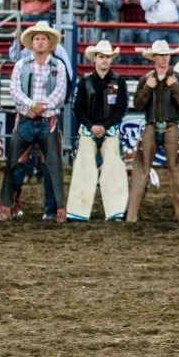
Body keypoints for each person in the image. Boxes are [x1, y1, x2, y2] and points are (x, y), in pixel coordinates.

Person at [0, 21, 68, 222]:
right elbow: (14, 89)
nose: (39, 42)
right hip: (28, 119)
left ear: (49, 43)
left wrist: (38, 107)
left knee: (51, 166)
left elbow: (60, 92)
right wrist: (32, 105)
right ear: (32, 42)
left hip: (46, 120)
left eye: (43, 39)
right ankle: (9, 206)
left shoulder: (58, 66)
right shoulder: (21, 64)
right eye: (37, 39)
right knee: (15, 164)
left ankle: (52, 210)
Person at [64, 40, 130, 221]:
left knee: (114, 166)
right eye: (101, 57)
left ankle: (116, 210)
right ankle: (78, 210)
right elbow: (78, 108)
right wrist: (92, 126)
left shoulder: (119, 82)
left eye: (107, 57)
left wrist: (104, 126)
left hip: (108, 128)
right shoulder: (84, 82)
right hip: (89, 128)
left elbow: (121, 108)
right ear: (95, 59)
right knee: (83, 165)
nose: (104, 60)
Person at [129, 39, 179, 223]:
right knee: (142, 171)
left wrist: (174, 88)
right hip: (152, 125)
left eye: (166, 55)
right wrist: (148, 89)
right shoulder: (148, 79)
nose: (164, 59)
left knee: (178, 172)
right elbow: (138, 104)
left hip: (171, 125)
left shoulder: (178, 80)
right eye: (161, 55)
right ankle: (132, 216)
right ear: (155, 58)